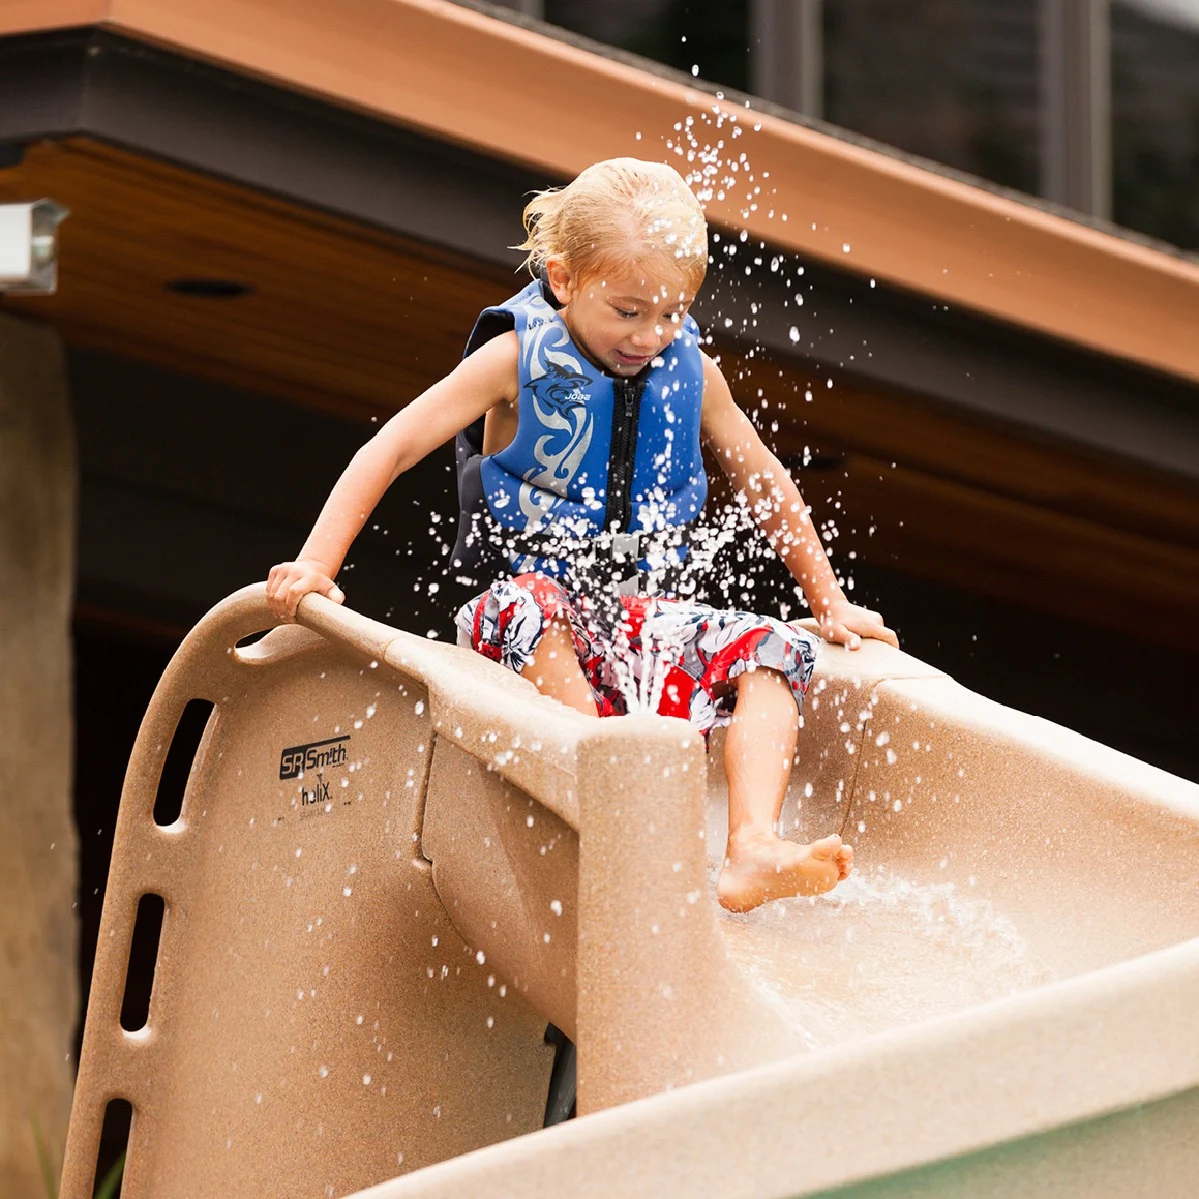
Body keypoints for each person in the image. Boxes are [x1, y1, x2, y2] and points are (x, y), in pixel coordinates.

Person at [267, 158, 898, 913]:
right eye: (628, 311)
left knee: (770, 650)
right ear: (563, 281)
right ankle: (613, 787)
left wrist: (827, 603)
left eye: (671, 313)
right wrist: (316, 564)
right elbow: (393, 446)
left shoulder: (692, 373)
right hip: (523, 630)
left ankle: (751, 845)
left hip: (629, 623)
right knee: (532, 606)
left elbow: (764, 482)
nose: (651, 335)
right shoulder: (513, 359)